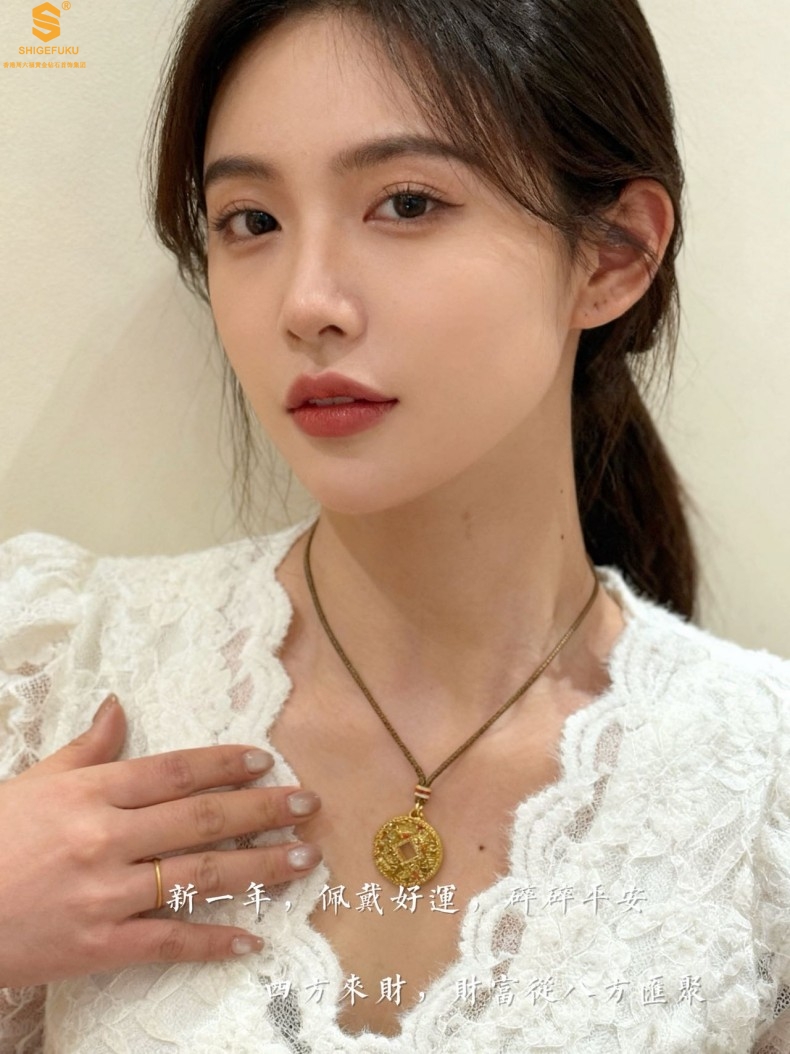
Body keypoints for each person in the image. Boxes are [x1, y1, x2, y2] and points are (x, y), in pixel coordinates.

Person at [1, 0, 789, 1050]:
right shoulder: (55, 669)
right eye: (252, 221)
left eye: (406, 203)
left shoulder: (759, 790)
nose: (306, 303)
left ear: (612, 252)